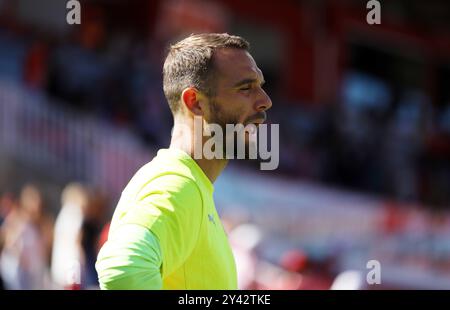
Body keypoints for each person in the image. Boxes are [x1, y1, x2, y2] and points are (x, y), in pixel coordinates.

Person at [95, 33, 272, 289]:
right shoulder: (178, 183)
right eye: (246, 88)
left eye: (261, 86)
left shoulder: (193, 186)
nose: (265, 101)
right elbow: (123, 268)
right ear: (195, 103)